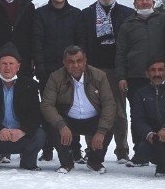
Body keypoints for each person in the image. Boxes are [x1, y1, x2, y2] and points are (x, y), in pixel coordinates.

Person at [77, 0, 133, 162]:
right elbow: (82, 43)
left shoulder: (127, 14)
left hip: (117, 70)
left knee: (118, 112)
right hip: (93, 70)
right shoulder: (86, 15)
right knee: (92, 111)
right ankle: (91, 148)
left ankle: (122, 150)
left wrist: (124, 71)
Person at [41, 45, 116, 174]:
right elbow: (46, 105)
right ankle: (66, 162)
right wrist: (61, 125)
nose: (75, 65)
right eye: (71, 61)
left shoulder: (99, 76)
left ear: (85, 61)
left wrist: (101, 131)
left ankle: (94, 161)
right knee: (51, 123)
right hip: (68, 120)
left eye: (79, 61)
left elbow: (109, 104)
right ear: (64, 63)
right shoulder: (55, 77)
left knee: (110, 123)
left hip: (93, 120)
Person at [0, 45, 46, 171]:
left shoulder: (30, 85)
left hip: (20, 136)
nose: (7, 67)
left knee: (40, 134)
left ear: (18, 66)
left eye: (11, 63)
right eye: (4, 63)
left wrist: (22, 131)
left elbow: (35, 114)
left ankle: (28, 163)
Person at [34, 0, 81, 161]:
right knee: (48, 109)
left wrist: (79, 67)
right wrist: (40, 67)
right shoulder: (40, 14)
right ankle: (47, 148)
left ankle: (74, 148)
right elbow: (36, 42)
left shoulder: (76, 14)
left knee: (72, 108)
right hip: (48, 70)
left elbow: (80, 42)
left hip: (73, 70)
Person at [115, 0, 165, 105]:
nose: (144, 2)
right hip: (136, 78)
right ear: (135, 3)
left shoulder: (164, 20)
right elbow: (121, 53)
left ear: (153, 2)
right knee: (139, 114)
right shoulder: (127, 25)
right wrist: (121, 77)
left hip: (161, 75)